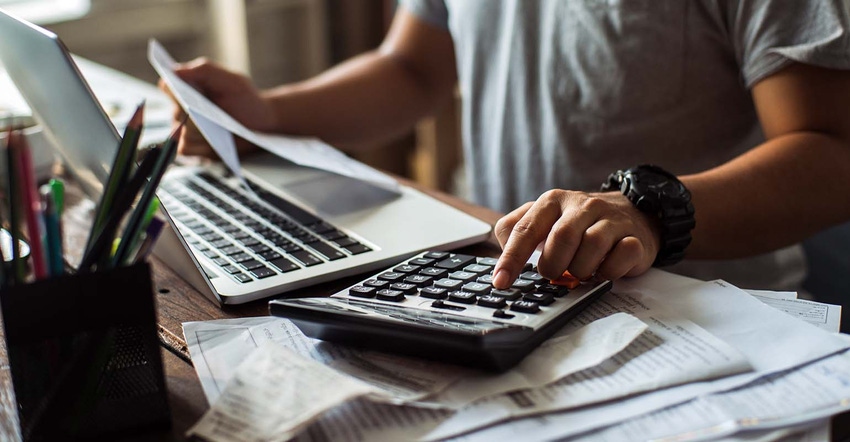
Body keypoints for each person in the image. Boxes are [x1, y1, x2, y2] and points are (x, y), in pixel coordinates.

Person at [164, 0, 850, 293]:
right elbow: (413, 68)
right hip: (505, 290)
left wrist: (645, 210)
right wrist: (267, 114)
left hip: (699, 321)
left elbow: (829, 152)